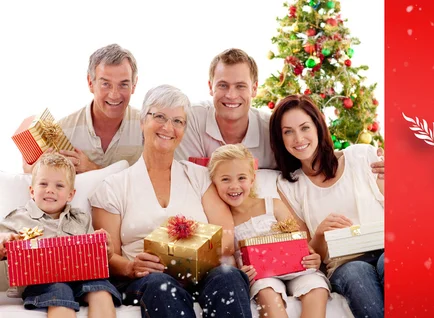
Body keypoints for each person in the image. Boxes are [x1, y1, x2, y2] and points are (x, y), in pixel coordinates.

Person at [90, 84, 252, 317]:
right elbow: (107, 256)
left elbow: (225, 237)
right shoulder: (113, 187)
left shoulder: (198, 176)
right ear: (142, 121)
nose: (168, 127)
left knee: (229, 276)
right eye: (160, 117)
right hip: (145, 281)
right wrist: (130, 267)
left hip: (200, 274)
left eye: (178, 121)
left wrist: (188, 256)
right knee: (161, 285)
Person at [176, 48, 385, 176]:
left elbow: (311, 156)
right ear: (210, 86)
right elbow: (180, 177)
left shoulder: (273, 128)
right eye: (223, 85)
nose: (231, 95)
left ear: (255, 89)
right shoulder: (190, 118)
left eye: (240, 86)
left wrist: (364, 160)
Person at [271, 95, 385, 318]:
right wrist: (321, 233)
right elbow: (309, 255)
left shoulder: (362, 156)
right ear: (280, 138)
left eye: (305, 128)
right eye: (288, 132)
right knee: (356, 273)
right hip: (345, 264)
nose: (298, 138)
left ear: (318, 127)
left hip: (385, 246)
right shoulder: (289, 186)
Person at [208, 144, 330, 318]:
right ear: (214, 183)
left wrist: (312, 257)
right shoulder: (224, 220)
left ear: (252, 179)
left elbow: (299, 242)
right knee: (267, 293)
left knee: (317, 289)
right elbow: (225, 260)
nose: (234, 186)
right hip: (261, 276)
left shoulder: (272, 205)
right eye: (225, 179)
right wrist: (240, 274)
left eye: (241, 178)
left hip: (297, 269)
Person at [0, 153, 121, 318]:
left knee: (100, 287)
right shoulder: (18, 218)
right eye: (43, 184)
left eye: (59, 186)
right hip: (42, 282)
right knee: (60, 289)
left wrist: (107, 251)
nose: (50, 190)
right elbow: (2, 238)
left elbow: (96, 258)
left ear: (71, 195)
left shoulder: (80, 219)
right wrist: (5, 240)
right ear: (32, 190)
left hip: (81, 276)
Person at [23, 44, 143, 174]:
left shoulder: (147, 128)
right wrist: (33, 172)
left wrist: (93, 169)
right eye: (105, 84)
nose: (114, 95)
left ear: (134, 85)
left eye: (123, 84)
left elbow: (157, 184)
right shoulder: (62, 132)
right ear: (90, 83)